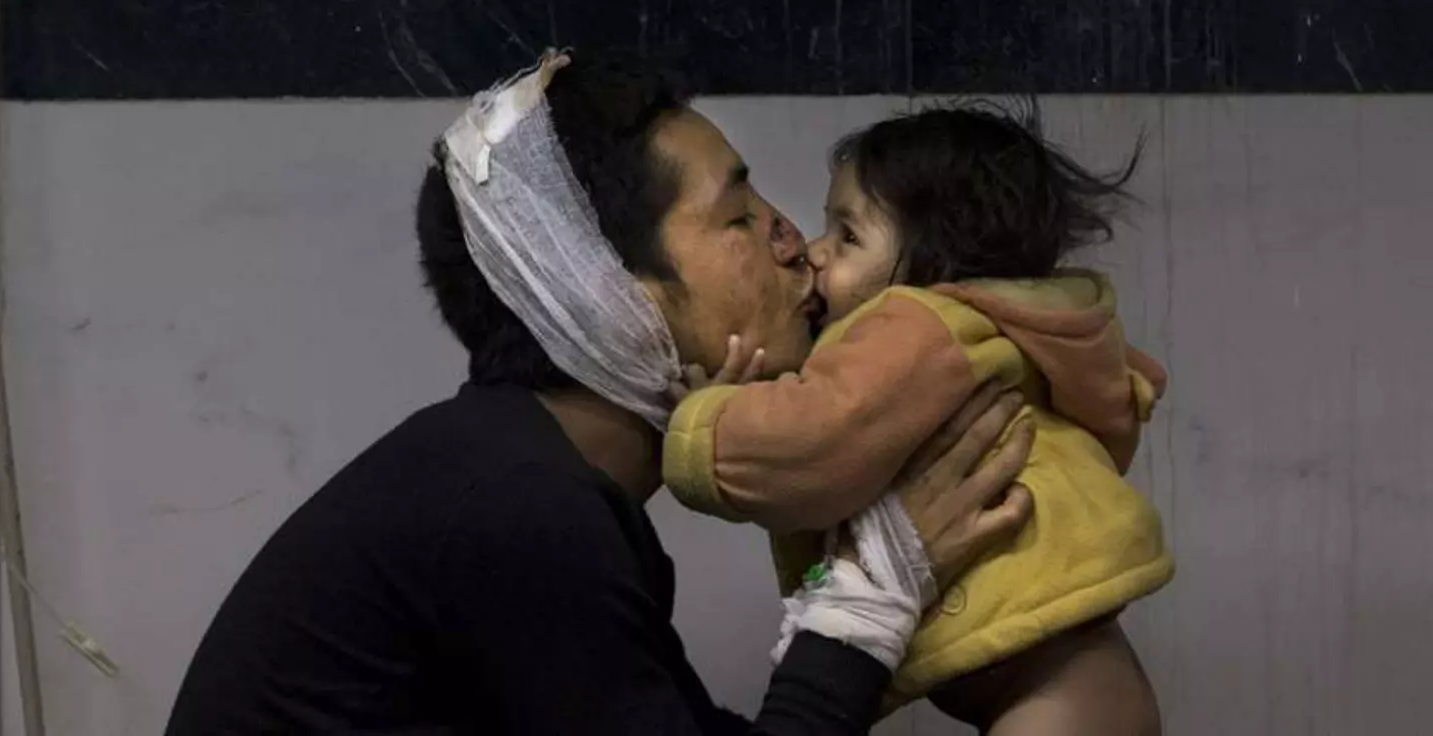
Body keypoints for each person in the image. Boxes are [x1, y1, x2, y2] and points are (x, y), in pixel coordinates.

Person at [166, 54, 1035, 734]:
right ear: (605, 289)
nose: (796, 245)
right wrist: (871, 591)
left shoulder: (512, 476)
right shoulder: (518, 510)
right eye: (739, 219)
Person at [663, 103, 1170, 733]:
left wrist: (703, 420)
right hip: (1080, 679)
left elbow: (807, 445)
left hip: (1049, 701)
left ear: (937, 266)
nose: (816, 252)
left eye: (848, 236)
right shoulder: (969, 343)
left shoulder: (917, 325)